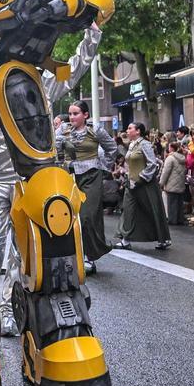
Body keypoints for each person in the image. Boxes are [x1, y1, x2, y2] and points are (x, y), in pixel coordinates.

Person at [55, 99, 118, 274]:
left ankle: (89, 256)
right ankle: (73, 256)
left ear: (85, 115)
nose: (72, 117)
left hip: (91, 177)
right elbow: (52, 151)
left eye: (76, 113)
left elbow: (112, 148)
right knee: (66, 218)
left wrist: (103, 166)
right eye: (70, 113)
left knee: (87, 217)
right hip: (68, 178)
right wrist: (58, 147)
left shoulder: (95, 129)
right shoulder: (62, 130)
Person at [114, 122, 170, 250]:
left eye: (130, 128)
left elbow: (152, 164)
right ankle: (125, 239)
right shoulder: (132, 145)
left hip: (145, 185)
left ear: (138, 131)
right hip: (131, 184)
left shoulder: (145, 144)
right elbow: (130, 164)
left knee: (152, 211)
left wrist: (141, 179)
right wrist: (128, 176)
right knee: (128, 210)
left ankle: (163, 238)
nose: (127, 131)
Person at [160, 141, 188, 226]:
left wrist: (161, 183)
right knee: (179, 202)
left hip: (171, 183)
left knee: (172, 203)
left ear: (171, 148)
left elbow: (166, 172)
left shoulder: (170, 158)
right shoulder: (183, 157)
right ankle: (180, 219)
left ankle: (173, 220)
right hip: (180, 183)